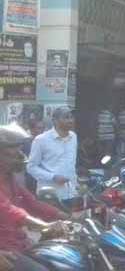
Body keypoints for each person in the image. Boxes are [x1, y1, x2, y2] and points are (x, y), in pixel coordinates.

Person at [0, 124, 68, 271]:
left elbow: (31, 202)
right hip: (4, 247)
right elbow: (8, 210)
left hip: (18, 241)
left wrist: (66, 216)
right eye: (14, 149)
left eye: (19, 148)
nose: (20, 154)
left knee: (58, 260)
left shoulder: (9, 177)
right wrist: (44, 226)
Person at [27, 107, 78, 201]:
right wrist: (53, 177)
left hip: (71, 193)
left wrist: (76, 185)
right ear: (55, 121)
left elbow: (71, 164)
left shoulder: (73, 137)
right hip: (50, 195)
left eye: (71, 117)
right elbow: (31, 167)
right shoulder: (41, 140)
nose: (71, 120)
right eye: (66, 117)